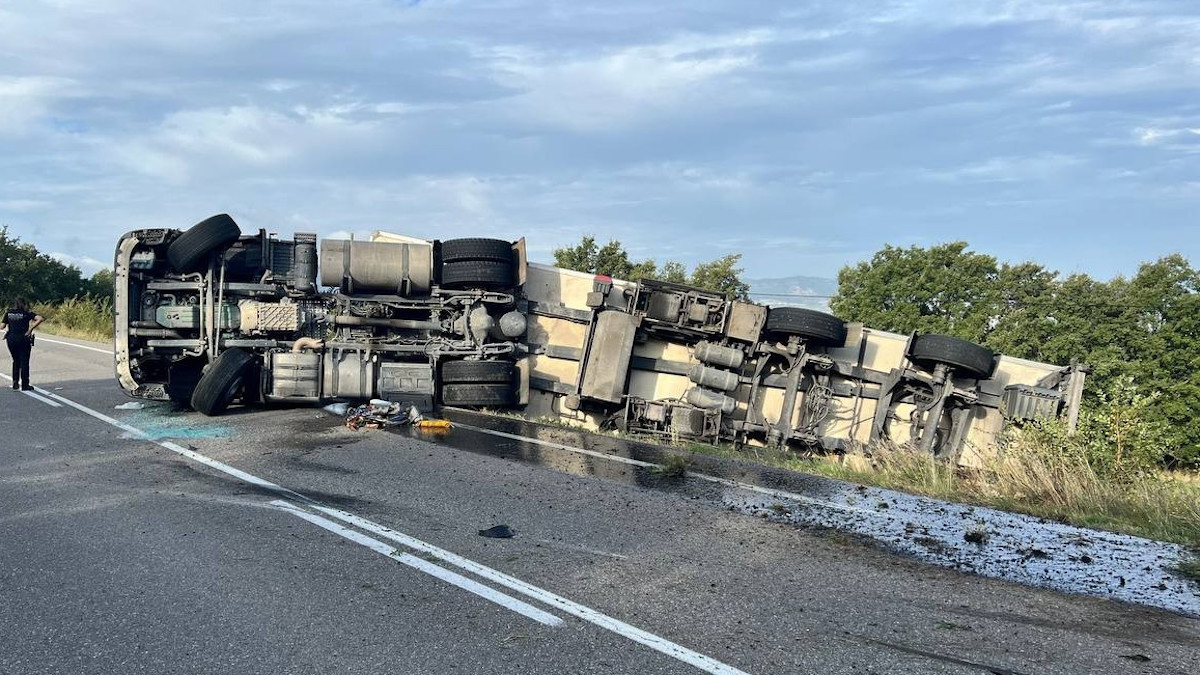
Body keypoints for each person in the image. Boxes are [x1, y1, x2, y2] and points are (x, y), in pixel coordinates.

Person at [2, 298, 44, 391]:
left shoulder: (9, 313)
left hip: (11, 339)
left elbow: (2, 326)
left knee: (16, 360)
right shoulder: (26, 313)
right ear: (24, 304)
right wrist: (30, 329)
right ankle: (25, 385)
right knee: (24, 362)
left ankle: (15, 382)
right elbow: (40, 319)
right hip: (23, 338)